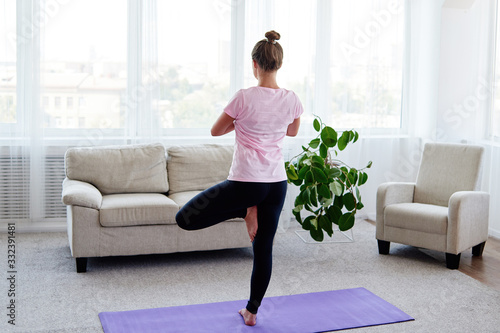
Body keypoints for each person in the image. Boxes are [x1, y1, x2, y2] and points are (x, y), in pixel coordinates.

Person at [175, 30, 303, 327]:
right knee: (264, 249)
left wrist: (242, 124)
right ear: (279, 64)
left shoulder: (244, 97)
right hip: (276, 185)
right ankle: (252, 312)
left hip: (246, 183)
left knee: (185, 218)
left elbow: (216, 131)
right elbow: (292, 131)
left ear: (254, 64)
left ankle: (245, 208)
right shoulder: (292, 99)